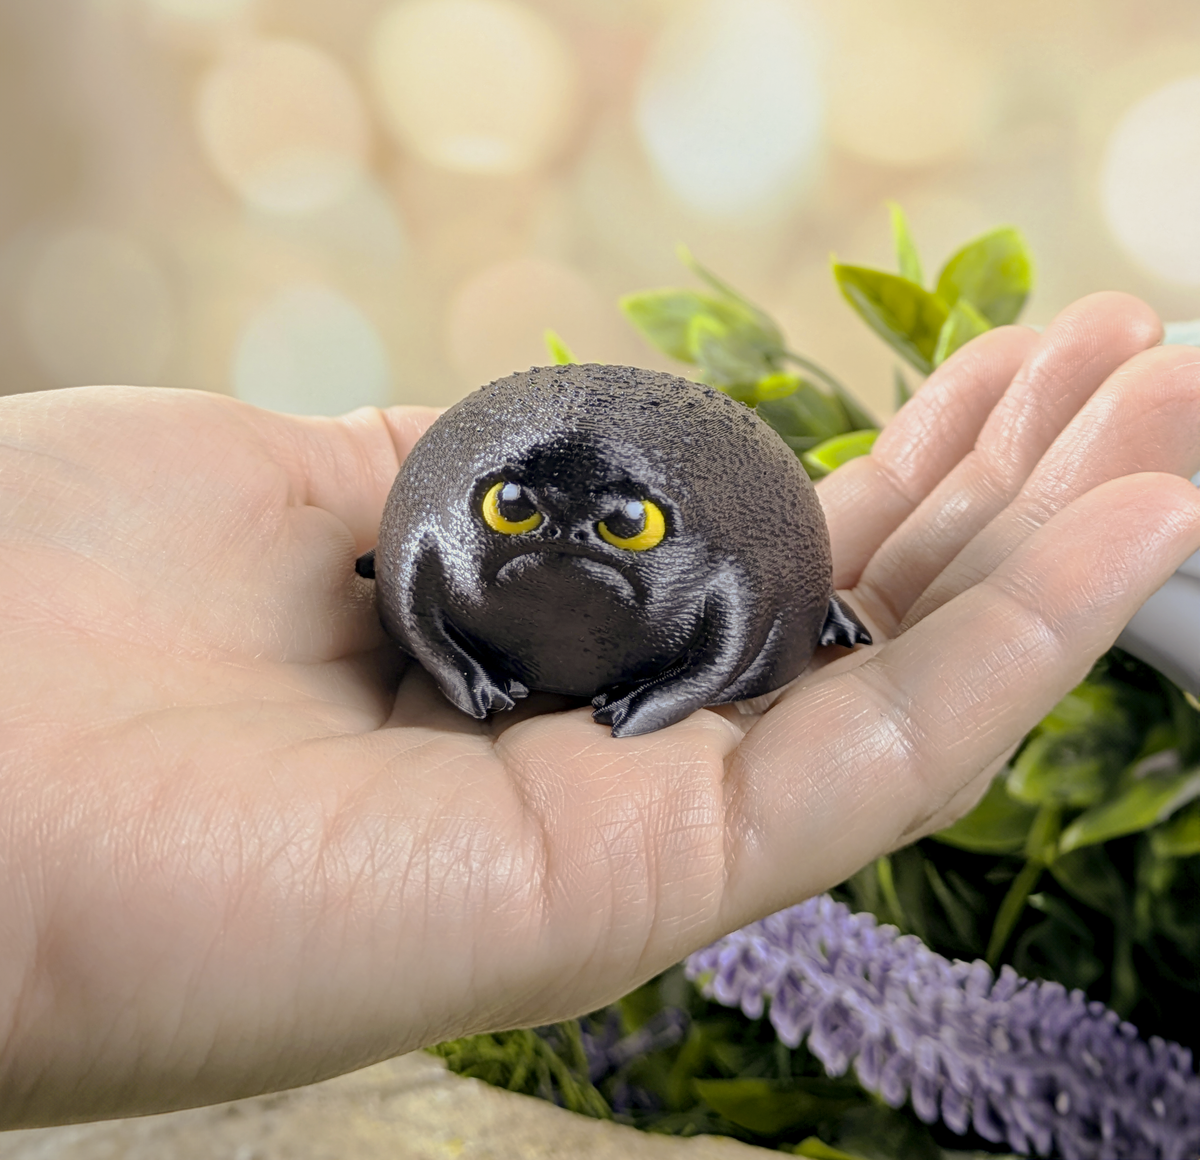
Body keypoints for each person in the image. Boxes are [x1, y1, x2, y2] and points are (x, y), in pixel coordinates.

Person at [0, 292, 1197, 1129]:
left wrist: (686, 682)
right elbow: (420, 557)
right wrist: (455, 663)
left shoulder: (719, 561)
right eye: (521, 513)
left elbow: (734, 599)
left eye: (621, 528)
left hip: (746, 569)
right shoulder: (439, 540)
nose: (565, 541)